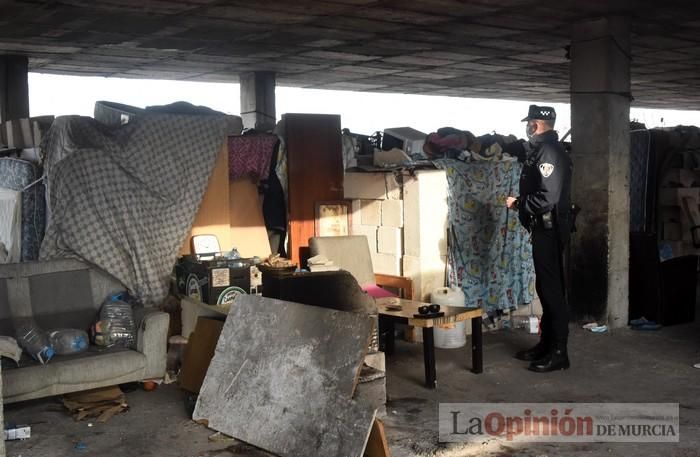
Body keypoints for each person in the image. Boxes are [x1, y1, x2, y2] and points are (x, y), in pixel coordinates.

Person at [505, 104, 573, 373]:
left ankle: (559, 352)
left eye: (529, 123)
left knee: (553, 291)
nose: (527, 127)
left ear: (535, 125)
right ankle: (546, 344)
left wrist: (519, 203)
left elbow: (548, 197)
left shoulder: (548, 151)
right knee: (545, 289)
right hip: (543, 228)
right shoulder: (543, 150)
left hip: (550, 229)